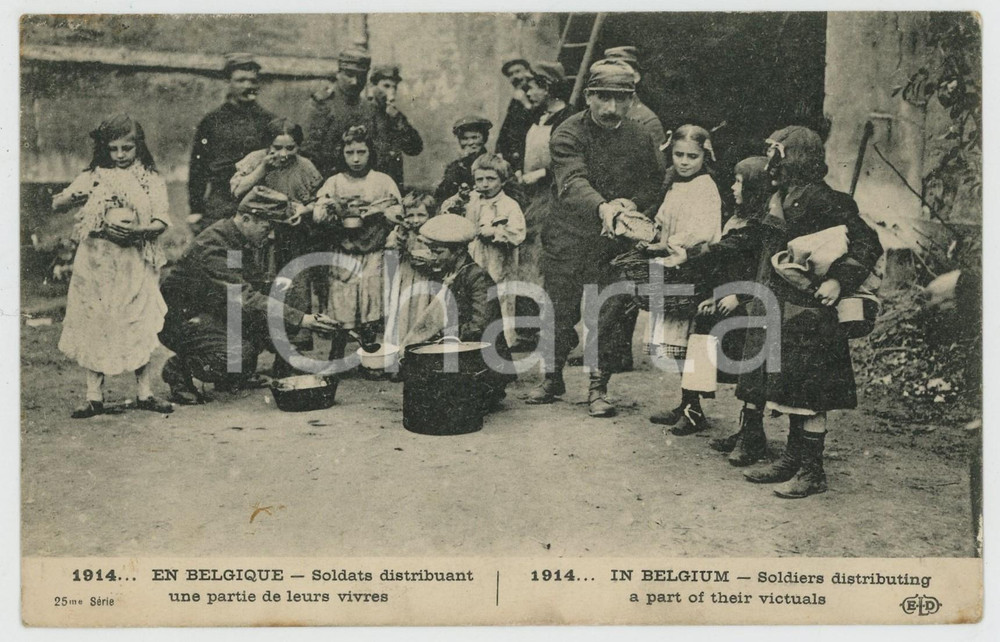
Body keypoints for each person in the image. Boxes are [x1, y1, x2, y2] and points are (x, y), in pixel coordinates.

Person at [738, 126, 883, 498]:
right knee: (790, 389)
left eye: (776, 154)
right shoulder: (780, 197)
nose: (771, 162)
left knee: (812, 394)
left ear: (793, 158)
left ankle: (813, 470)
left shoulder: (827, 200)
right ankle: (792, 458)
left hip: (813, 312)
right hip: (782, 307)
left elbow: (868, 243)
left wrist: (838, 279)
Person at [525, 60, 663, 417]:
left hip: (613, 245)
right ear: (588, 96)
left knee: (609, 315)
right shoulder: (567, 133)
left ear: (631, 99)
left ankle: (598, 389)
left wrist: (632, 204)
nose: (611, 108)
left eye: (620, 99)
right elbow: (572, 181)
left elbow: (653, 183)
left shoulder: (639, 136)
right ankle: (552, 378)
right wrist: (603, 208)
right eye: (603, 97)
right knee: (558, 310)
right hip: (568, 237)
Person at [159, 186, 339, 404]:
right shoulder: (214, 246)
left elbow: (254, 288)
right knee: (239, 351)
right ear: (246, 219)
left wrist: (292, 318)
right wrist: (301, 319)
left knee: (269, 314)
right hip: (181, 320)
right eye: (267, 227)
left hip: (211, 310)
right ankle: (178, 368)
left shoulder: (234, 237)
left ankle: (234, 375)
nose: (271, 235)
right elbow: (244, 297)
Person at [52, 114, 174, 418]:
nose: (120, 155)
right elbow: (59, 203)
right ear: (104, 149)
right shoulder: (95, 175)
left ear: (139, 147)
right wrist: (76, 197)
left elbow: (160, 219)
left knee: (136, 320)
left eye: (127, 149)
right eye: (114, 149)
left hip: (133, 260)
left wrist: (137, 232)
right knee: (96, 320)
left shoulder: (150, 179)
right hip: (96, 261)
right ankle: (94, 396)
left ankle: (144, 392)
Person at [671, 155, 775, 465]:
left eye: (739, 183)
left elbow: (757, 269)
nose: (732, 187)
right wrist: (714, 295)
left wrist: (740, 298)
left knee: (753, 370)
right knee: (700, 333)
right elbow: (724, 265)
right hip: (727, 300)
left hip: (752, 306)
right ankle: (691, 409)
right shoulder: (736, 216)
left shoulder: (761, 226)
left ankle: (751, 432)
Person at [641, 125, 723, 434]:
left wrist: (672, 243)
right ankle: (685, 402)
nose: (685, 162)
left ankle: (694, 408)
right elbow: (663, 218)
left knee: (691, 340)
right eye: (679, 155)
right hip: (671, 265)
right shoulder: (674, 185)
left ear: (705, 156)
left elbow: (703, 231)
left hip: (695, 267)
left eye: (692, 156)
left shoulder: (706, 187)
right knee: (673, 341)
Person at [230, 117, 324, 377]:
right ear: (267, 146)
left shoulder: (305, 168)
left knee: (292, 291)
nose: (283, 154)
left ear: (298, 147)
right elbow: (237, 192)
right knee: (258, 291)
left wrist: (302, 211)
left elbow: (320, 201)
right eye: (277, 148)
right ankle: (246, 359)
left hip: (292, 239)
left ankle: (287, 357)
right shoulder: (254, 161)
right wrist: (262, 168)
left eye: (290, 148)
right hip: (256, 239)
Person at [313, 125, 403, 365]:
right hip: (344, 249)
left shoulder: (382, 181)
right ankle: (337, 354)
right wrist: (330, 209)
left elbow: (398, 211)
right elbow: (318, 214)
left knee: (370, 299)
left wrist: (380, 211)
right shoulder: (334, 183)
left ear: (370, 153)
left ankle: (370, 356)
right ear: (342, 154)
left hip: (373, 248)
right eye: (349, 152)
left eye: (361, 152)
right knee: (342, 299)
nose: (355, 158)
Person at [416, 213, 516, 408]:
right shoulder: (452, 273)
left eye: (438, 252)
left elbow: (481, 325)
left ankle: (489, 389)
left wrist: (442, 335)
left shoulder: (478, 278)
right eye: (432, 251)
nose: (433, 257)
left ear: (458, 252)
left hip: (482, 355)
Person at [513, 61, 576, 350]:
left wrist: (540, 174)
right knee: (527, 263)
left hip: (553, 199)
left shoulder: (568, 118)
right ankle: (528, 330)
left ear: (548, 87)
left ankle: (552, 331)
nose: (528, 92)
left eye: (532, 86)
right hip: (531, 198)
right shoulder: (537, 117)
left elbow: (570, 161)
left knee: (545, 264)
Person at [441, 153, 526, 347]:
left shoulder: (509, 205)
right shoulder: (470, 200)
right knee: (471, 299)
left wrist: (496, 232)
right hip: (473, 257)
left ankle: (500, 350)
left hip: (498, 262)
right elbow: (447, 211)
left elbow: (518, 233)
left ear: (502, 181)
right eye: (480, 179)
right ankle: (468, 345)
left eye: (491, 179)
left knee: (499, 301)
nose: (485, 184)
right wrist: (456, 201)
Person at [188, 53, 275, 234]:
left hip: (257, 199)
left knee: (255, 255)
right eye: (240, 80)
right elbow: (198, 167)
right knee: (226, 256)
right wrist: (195, 209)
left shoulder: (268, 122)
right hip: (221, 202)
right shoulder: (212, 121)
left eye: (252, 81)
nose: (247, 86)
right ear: (228, 81)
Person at [302, 49, 375, 178]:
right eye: (349, 75)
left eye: (361, 76)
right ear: (338, 73)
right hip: (325, 178)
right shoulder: (322, 104)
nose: (355, 82)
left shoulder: (368, 107)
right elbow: (309, 151)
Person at [384, 189, 438, 348]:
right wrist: (402, 230)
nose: (415, 220)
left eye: (421, 215)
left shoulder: (434, 233)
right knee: (404, 315)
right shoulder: (403, 232)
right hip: (407, 278)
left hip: (428, 279)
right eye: (410, 215)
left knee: (424, 314)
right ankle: (401, 351)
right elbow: (392, 247)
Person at [601, 46, 667, 169]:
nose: (614, 80)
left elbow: (657, 171)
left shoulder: (647, 121)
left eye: (621, 74)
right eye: (609, 74)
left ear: (636, 77)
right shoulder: (599, 112)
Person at [368, 64, 423, 188]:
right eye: (386, 86)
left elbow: (415, 148)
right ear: (372, 87)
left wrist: (398, 119)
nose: (391, 92)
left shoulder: (395, 116)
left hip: (393, 182)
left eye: (394, 87)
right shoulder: (362, 112)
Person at [495, 58, 539, 175]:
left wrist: (525, 102)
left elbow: (539, 123)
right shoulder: (516, 98)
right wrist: (499, 151)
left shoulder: (538, 93)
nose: (515, 77)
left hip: (531, 157)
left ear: (528, 71)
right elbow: (506, 127)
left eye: (518, 71)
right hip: (514, 159)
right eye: (511, 74)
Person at [434, 116, 492, 203]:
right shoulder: (454, 167)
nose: (470, 143)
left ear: (484, 138)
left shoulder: (494, 163)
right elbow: (442, 196)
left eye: (475, 137)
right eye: (465, 139)